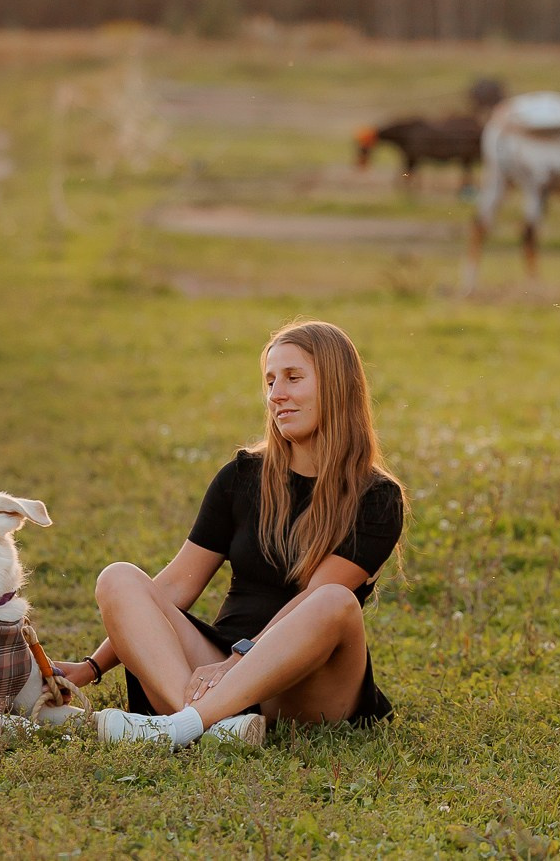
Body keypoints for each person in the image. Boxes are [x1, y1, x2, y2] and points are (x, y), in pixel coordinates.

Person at [57, 320, 407, 748]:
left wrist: (240, 658)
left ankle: (185, 726)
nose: (277, 394)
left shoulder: (378, 497)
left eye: (294, 378)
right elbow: (171, 588)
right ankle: (210, 727)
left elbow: (311, 602)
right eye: (270, 380)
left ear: (336, 386)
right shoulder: (240, 478)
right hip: (219, 665)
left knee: (333, 601)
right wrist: (91, 668)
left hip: (310, 686)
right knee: (119, 578)